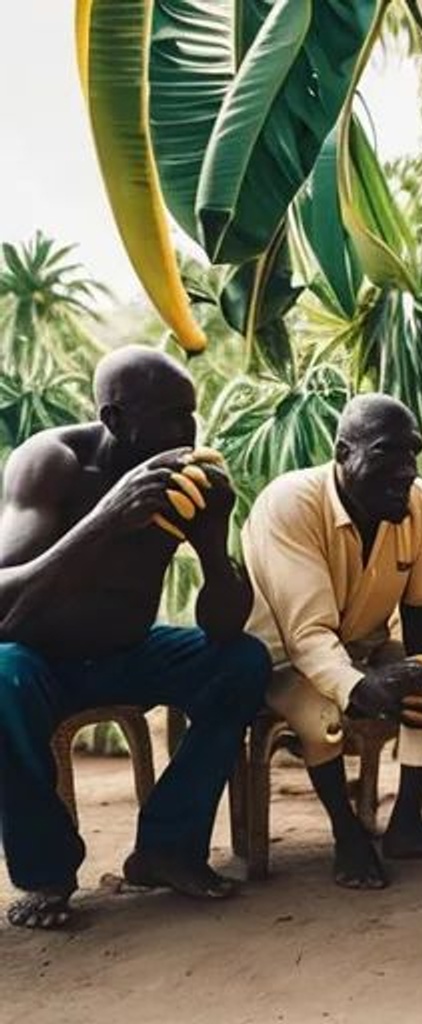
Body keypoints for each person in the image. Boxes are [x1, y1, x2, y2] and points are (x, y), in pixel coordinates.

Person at [0, 345, 270, 929]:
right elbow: (4, 607)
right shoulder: (52, 464)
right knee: (1, 675)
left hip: (130, 653)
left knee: (243, 661)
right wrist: (105, 518)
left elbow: (222, 627)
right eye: (173, 415)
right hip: (41, 664)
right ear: (115, 420)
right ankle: (46, 873)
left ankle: (166, 847)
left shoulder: (181, 484)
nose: (189, 432)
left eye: (192, 415)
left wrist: (212, 545)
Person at [242, 394, 422, 888]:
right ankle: (348, 834)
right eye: (388, 452)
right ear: (343, 452)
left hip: (363, 646)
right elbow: (308, 637)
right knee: (321, 718)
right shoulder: (291, 504)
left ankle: (408, 822)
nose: (407, 469)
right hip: (281, 658)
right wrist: (366, 689)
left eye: (413, 453)